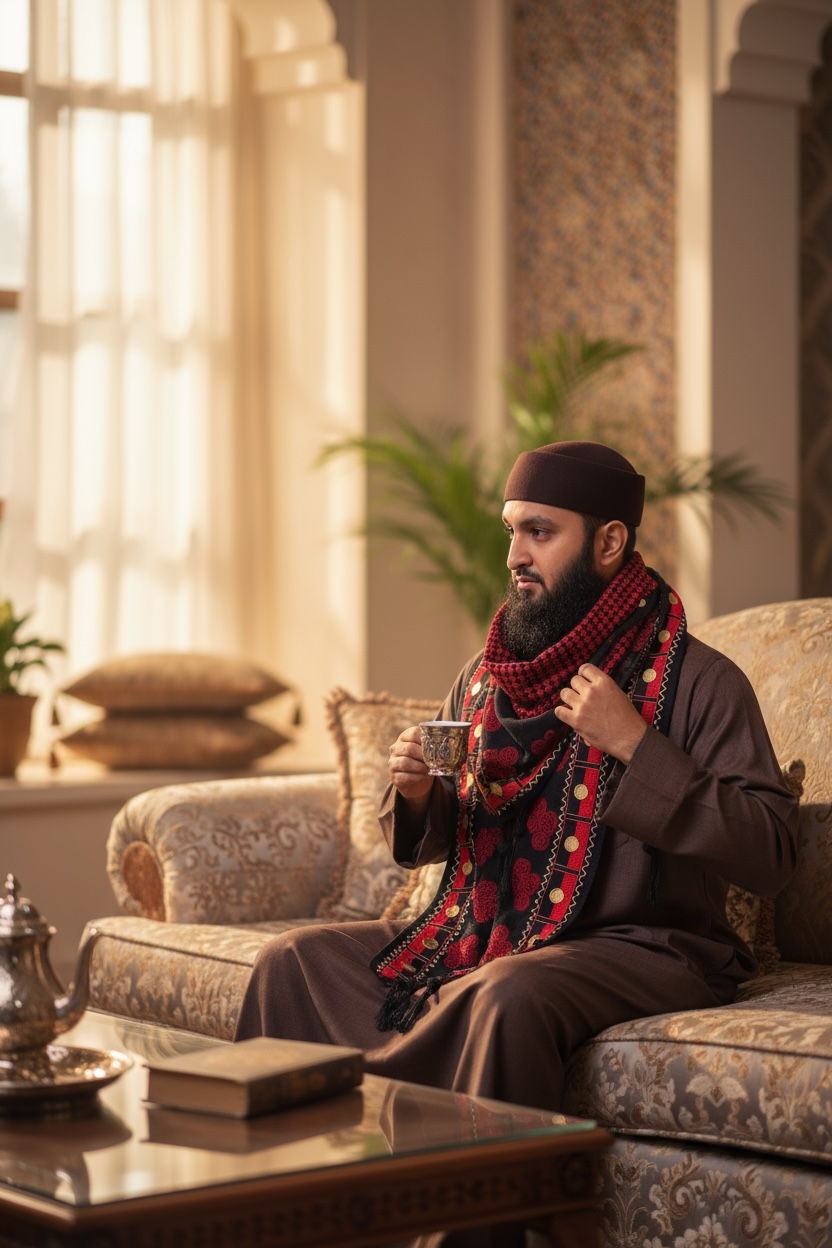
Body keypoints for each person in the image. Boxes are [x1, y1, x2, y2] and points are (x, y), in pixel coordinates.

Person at [235, 440, 798, 1117]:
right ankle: (302, 1175)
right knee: (292, 961)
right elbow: (438, 835)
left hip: (640, 945)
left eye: (539, 532)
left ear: (609, 542)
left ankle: (469, 1185)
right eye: (511, 531)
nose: (514, 556)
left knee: (506, 993)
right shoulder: (484, 676)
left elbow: (771, 854)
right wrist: (418, 795)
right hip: (488, 928)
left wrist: (633, 743)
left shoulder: (701, 680)